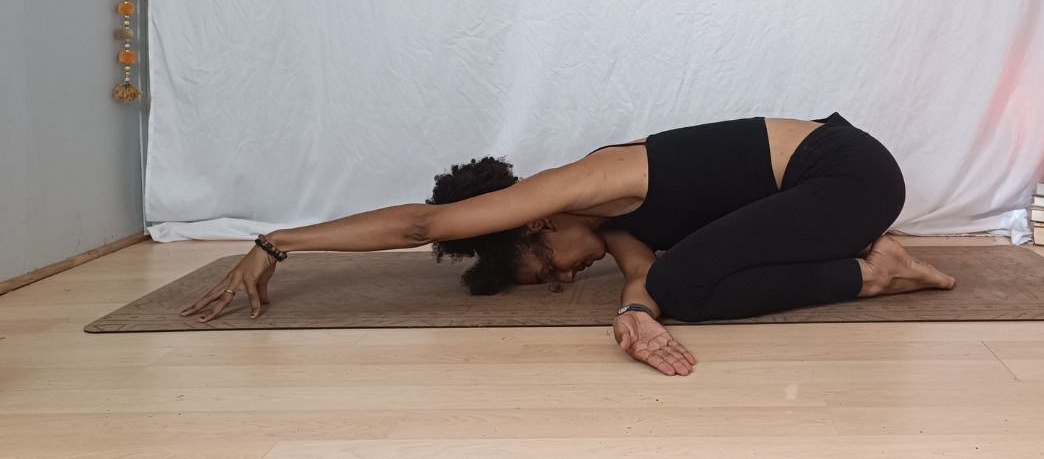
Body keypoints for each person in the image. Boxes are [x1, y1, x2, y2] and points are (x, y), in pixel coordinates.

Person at [180, 113, 956, 376]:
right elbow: (646, 275)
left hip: (848, 176)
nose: (565, 274)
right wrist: (634, 315)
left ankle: (873, 270)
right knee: (686, 293)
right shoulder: (618, 223)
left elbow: (420, 225)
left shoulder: (590, 180)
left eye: (547, 264)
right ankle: (869, 268)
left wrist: (278, 240)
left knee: (690, 284)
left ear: (537, 221)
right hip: (827, 196)